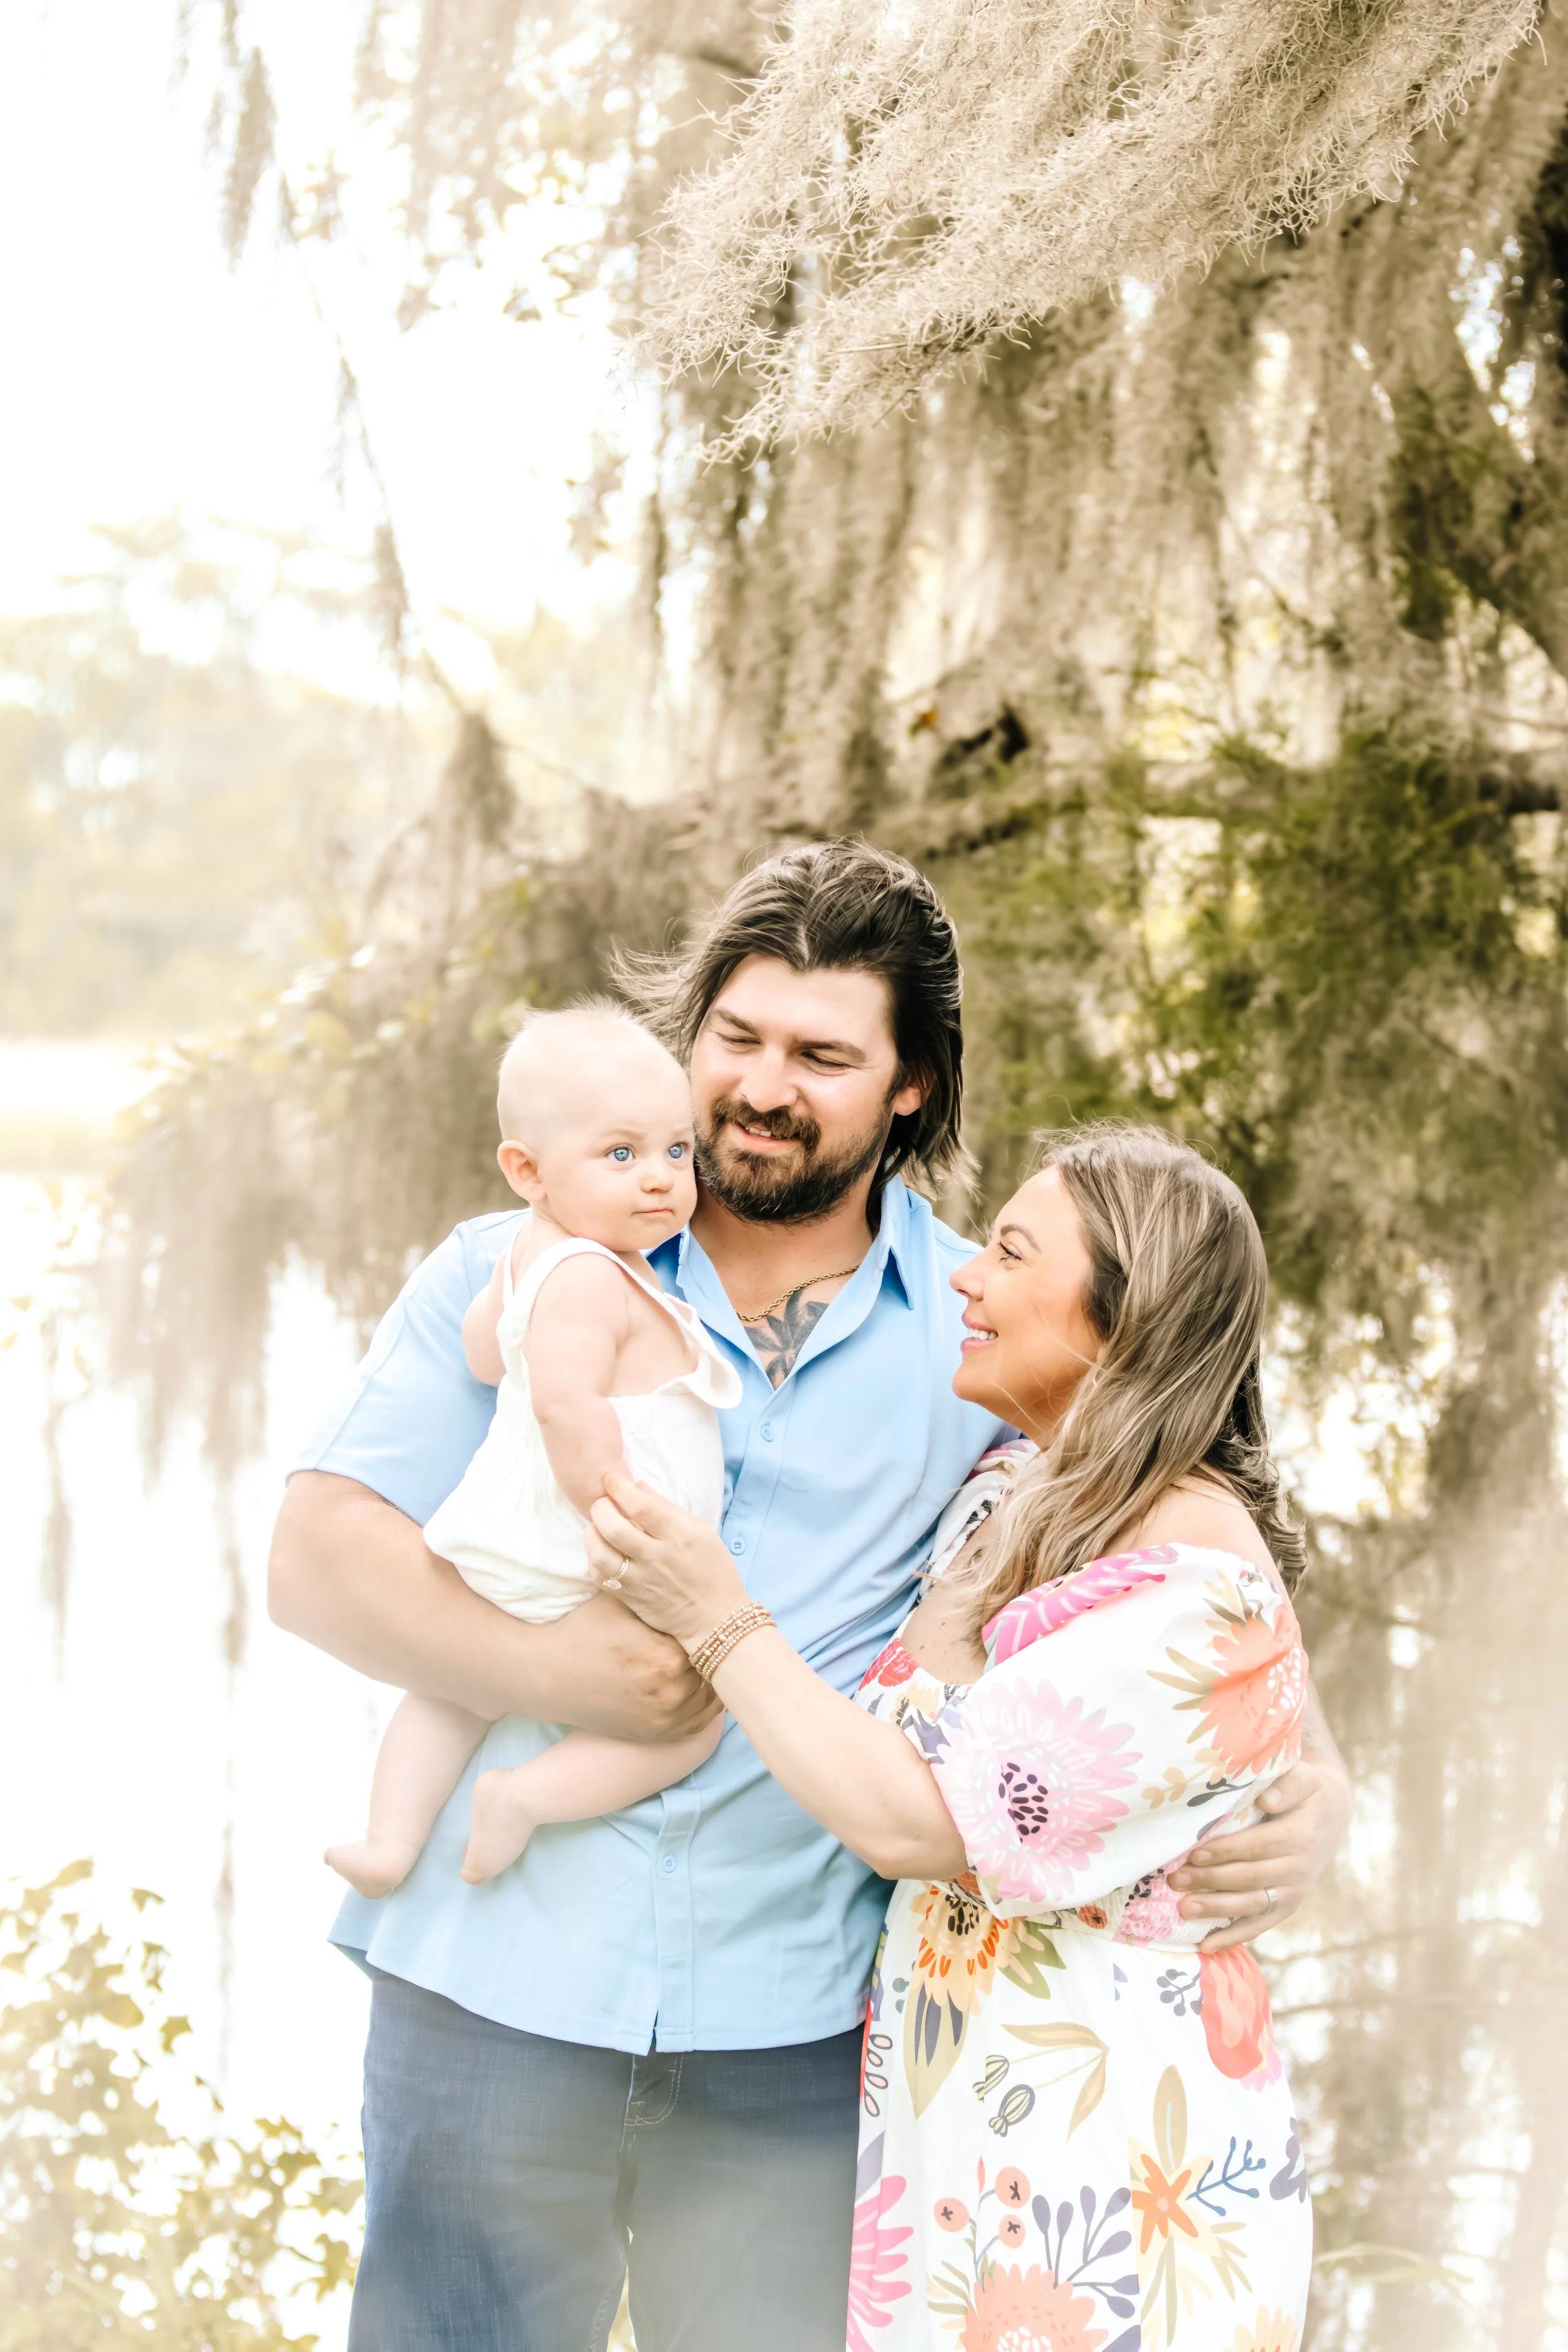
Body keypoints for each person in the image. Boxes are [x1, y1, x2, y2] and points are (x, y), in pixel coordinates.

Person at [270, 843, 1347, 2352]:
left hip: (796, 2042)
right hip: (488, 1988)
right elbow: (315, 1563)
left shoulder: (993, 1332)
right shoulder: (528, 1272)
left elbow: (1175, 1541)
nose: (762, 1089)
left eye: (823, 1056)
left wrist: (1313, 1773)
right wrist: (581, 1677)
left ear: (908, 1089)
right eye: (737, 1039)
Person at [585, 1125, 1315, 2350]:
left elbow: (916, 1821)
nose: (965, 1276)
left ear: (1125, 1313)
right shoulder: (1021, 1493)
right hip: (963, 2165)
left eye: (1013, 1252)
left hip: (1105, 2199)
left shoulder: (1198, 1584)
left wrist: (717, 1618)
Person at [324, 1007, 739, 1899]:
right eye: (620, 1156)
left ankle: (390, 1837)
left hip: (497, 1537)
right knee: (695, 1718)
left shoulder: (525, 1256)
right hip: (587, 1545)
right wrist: (611, 1517)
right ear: (528, 1169)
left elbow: (487, 1353)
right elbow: (566, 1405)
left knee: (449, 1692)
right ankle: (524, 1798)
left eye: (676, 1150)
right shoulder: (594, 1276)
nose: (662, 1179)